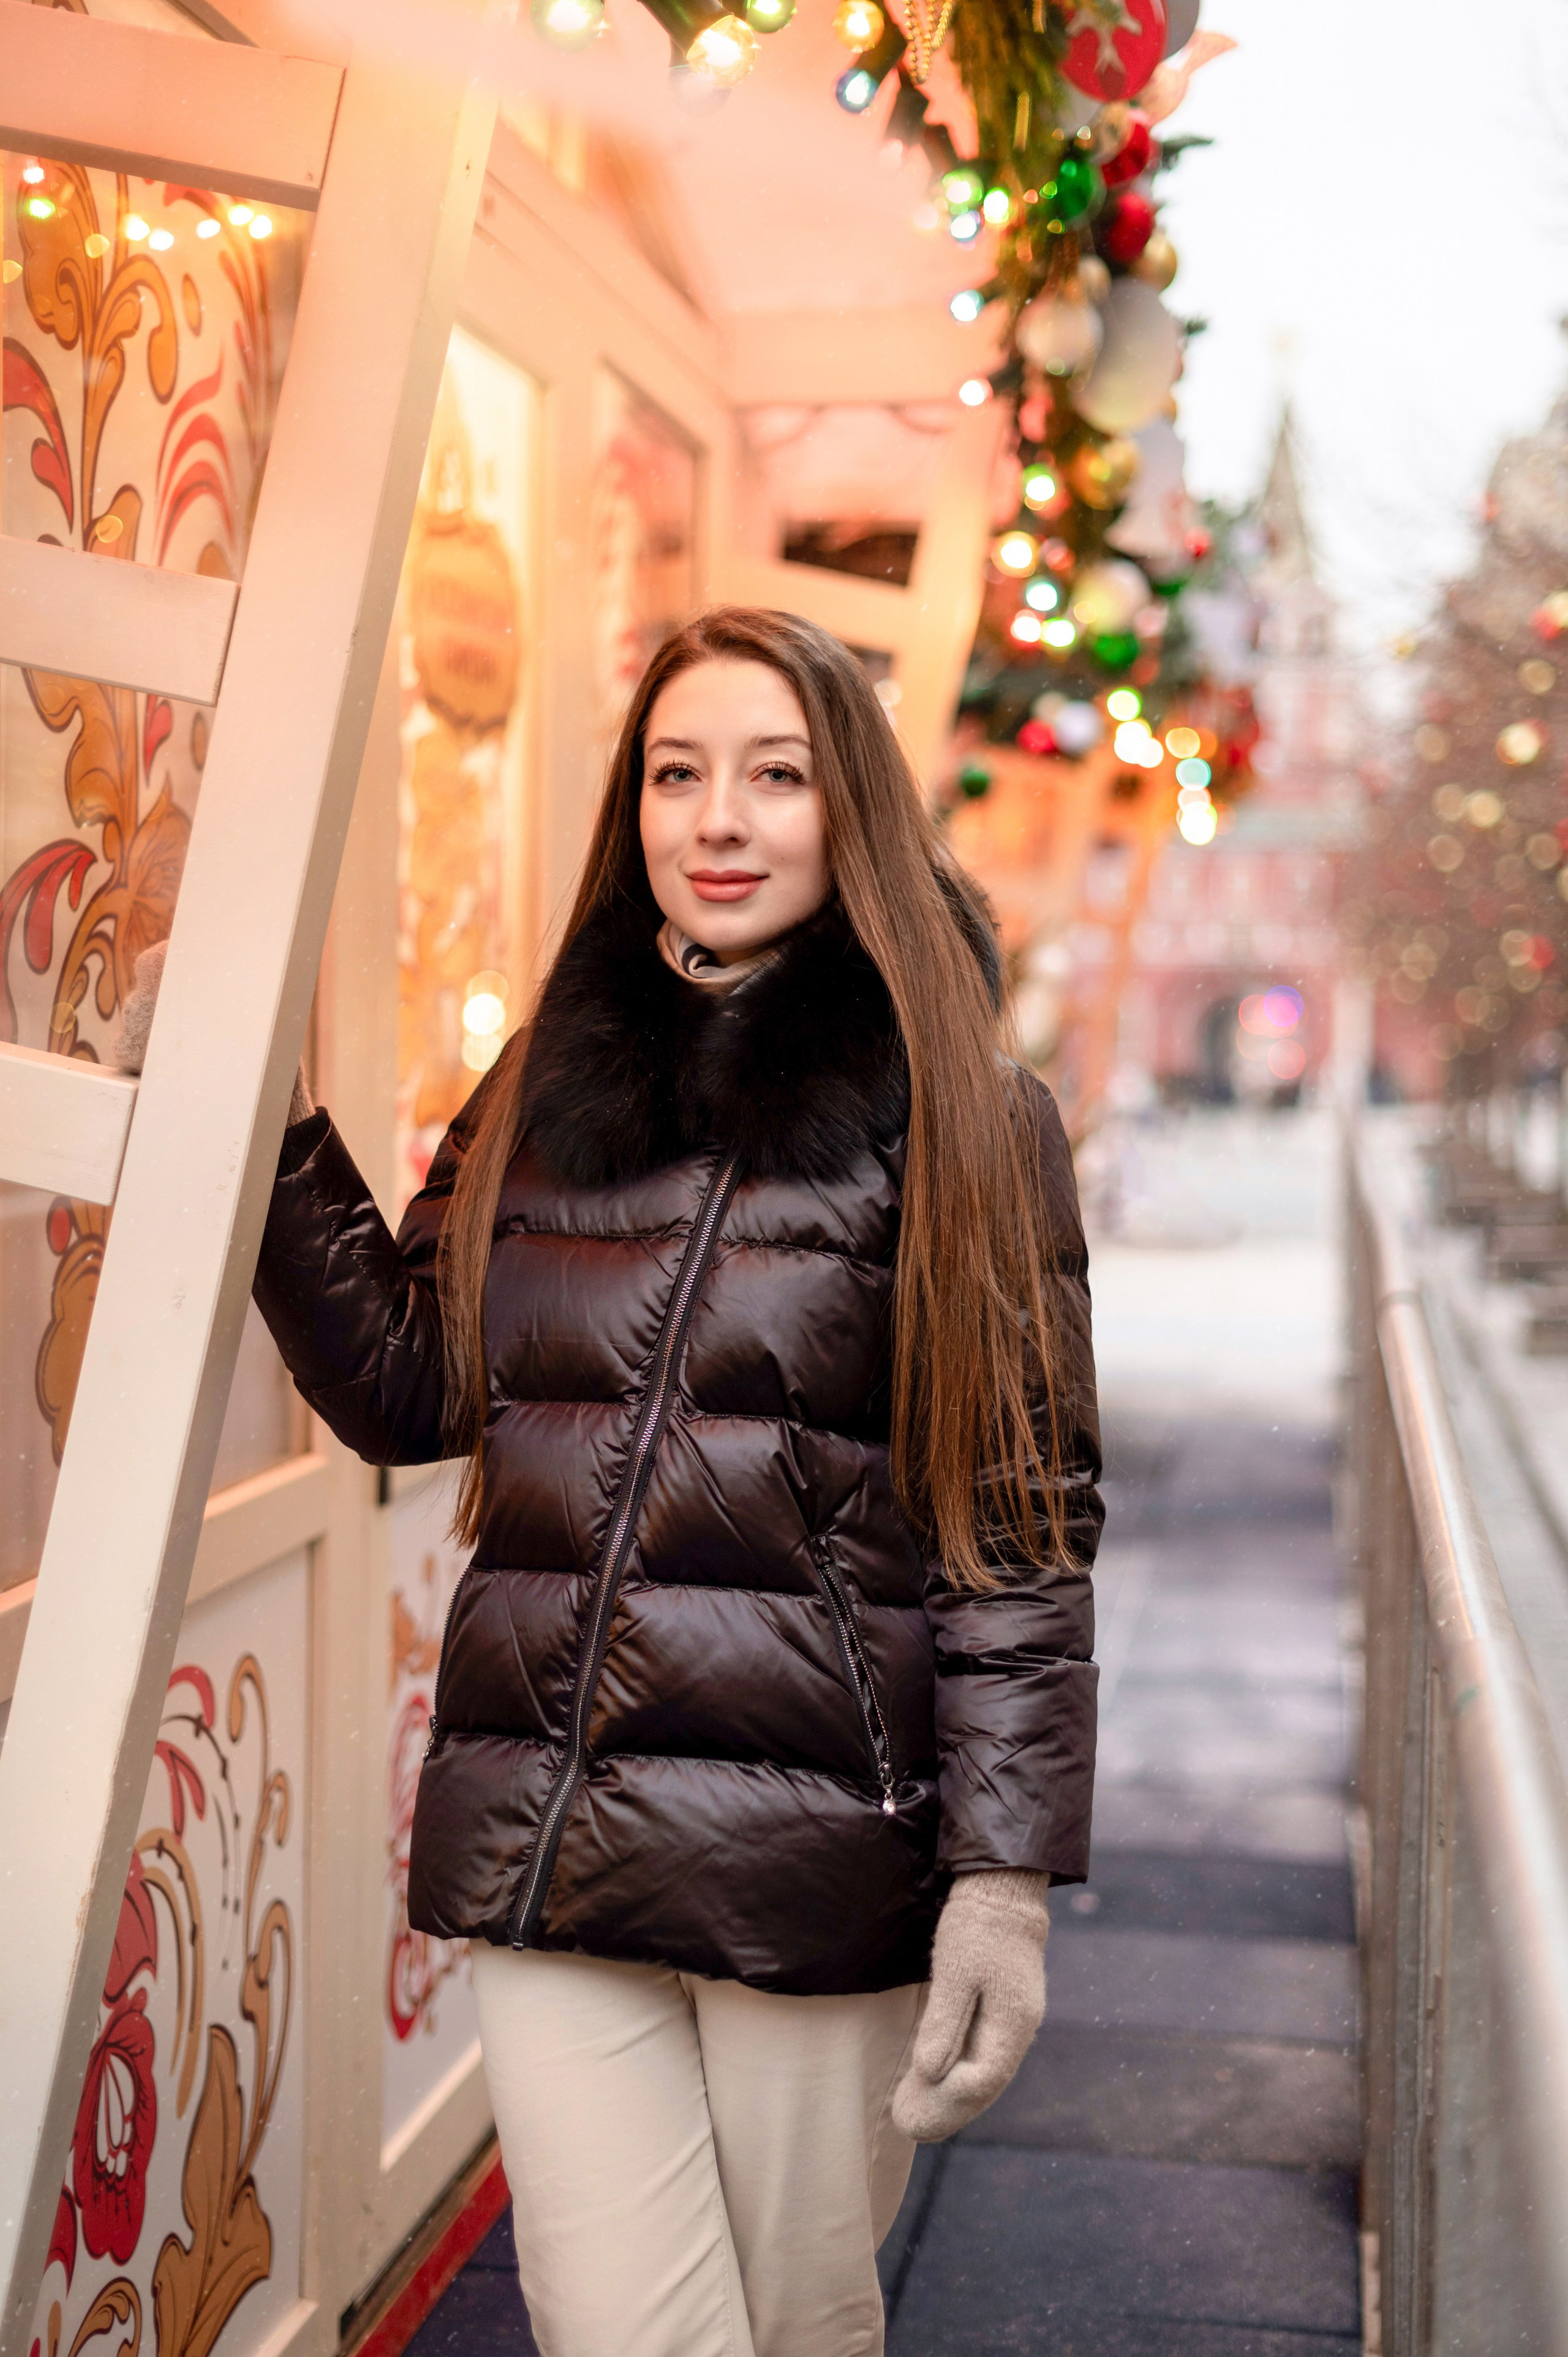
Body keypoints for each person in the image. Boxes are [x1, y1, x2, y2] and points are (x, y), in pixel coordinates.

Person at [119, 606, 1102, 2357]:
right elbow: (421, 1389)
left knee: (801, 2326)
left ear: (851, 808)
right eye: (676, 773)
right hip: (547, 1830)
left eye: (776, 775)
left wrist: (1005, 1885)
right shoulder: (548, 1084)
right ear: (633, 807)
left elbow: (1016, 1525)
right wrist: (265, 1135)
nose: (718, 818)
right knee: (623, 2335)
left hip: (815, 1858)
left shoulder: (966, 1111)